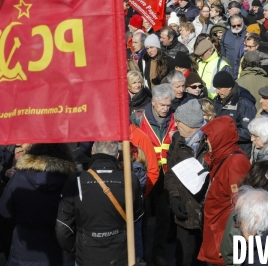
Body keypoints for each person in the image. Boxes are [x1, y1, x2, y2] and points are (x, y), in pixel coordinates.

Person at [56, 141, 143, 266]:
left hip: (86, 255)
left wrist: (75, 249)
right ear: (117, 156)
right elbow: (137, 218)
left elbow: (63, 227)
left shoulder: (76, 180)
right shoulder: (130, 179)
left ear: (92, 152)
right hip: (120, 255)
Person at [0, 144, 75, 266]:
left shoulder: (20, 177)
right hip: (58, 251)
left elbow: (4, 210)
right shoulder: (69, 180)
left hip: (24, 250)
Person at [130, 84, 177, 265]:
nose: (165, 109)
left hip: (166, 175)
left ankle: (159, 252)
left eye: (168, 105)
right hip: (145, 174)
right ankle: (139, 252)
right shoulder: (138, 118)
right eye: (162, 105)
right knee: (142, 213)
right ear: (153, 101)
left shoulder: (175, 117)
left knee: (164, 216)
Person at [197, 116, 250, 265]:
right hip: (217, 232)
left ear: (220, 137)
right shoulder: (222, 157)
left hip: (223, 238)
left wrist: (231, 242)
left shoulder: (234, 163)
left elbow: (240, 205)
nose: (206, 141)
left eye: (209, 137)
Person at [164, 99, 209, 266]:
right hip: (185, 211)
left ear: (191, 123)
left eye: (178, 121)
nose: (175, 125)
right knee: (184, 259)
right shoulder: (178, 140)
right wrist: (173, 197)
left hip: (206, 213)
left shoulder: (211, 141)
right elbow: (172, 173)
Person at [212, 70, 257, 157]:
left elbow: (249, 131)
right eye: (216, 88)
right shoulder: (217, 100)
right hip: (222, 151)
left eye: (219, 88)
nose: (217, 91)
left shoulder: (244, 103)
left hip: (240, 152)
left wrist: (226, 134)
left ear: (229, 87)